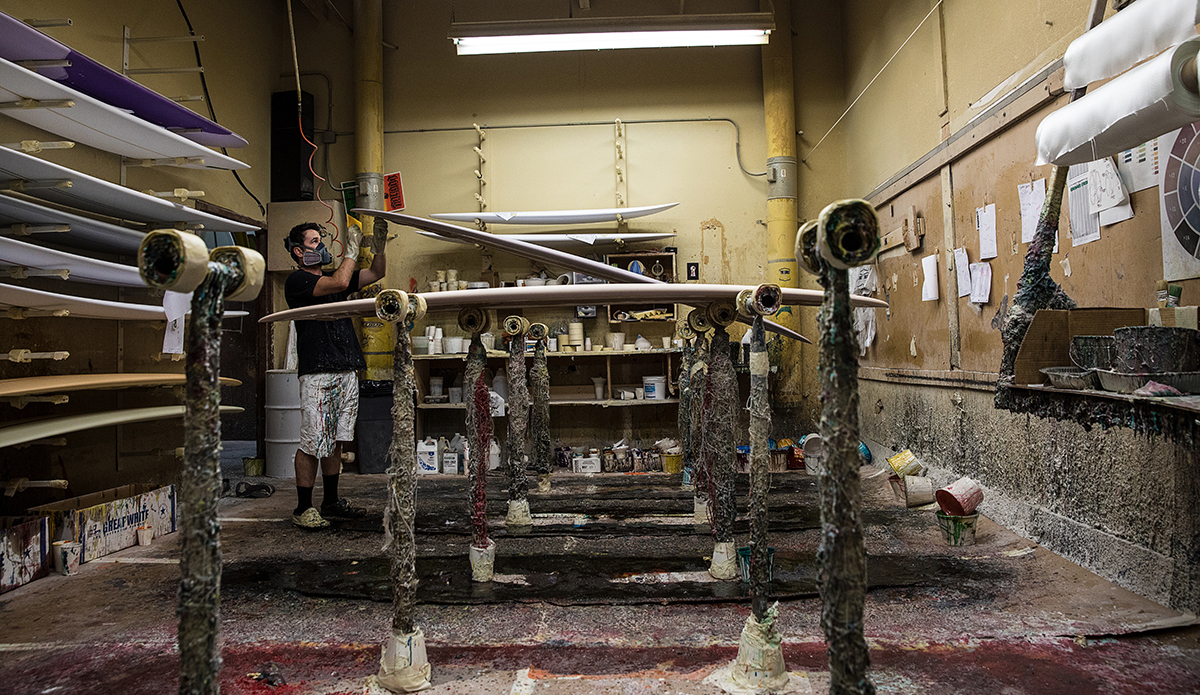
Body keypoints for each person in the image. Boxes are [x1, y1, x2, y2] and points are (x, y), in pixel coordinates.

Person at [284, 217, 388, 529]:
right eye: (315, 242)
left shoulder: (332, 278)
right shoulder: (298, 282)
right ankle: (303, 508)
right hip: (318, 371)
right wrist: (352, 250)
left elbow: (377, 273)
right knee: (313, 441)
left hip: (346, 367)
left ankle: (330, 502)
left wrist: (379, 248)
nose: (323, 246)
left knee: (335, 440)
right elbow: (342, 282)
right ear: (300, 252)